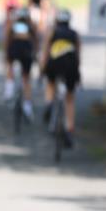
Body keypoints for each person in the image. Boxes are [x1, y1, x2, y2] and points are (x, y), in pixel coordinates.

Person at [42, 8, 80, 148]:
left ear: (57, 21)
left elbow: (46, 51)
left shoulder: (52, 32)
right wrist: (77, 73)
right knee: (69, 98)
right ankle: (69, 129)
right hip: (71, 65)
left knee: (51, 83)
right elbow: (78, 55)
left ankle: (49, 103)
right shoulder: (75, 34)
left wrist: (42, 68)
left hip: (54, 63)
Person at [3, 5, 38, 120]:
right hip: (27, 52)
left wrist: (6, 54)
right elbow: (36, 40)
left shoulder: (13, 24)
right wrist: (35, 54)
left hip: (14, 50)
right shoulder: (31, 25)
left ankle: (9, 90)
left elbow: (7, 38)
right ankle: (27, 107)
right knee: (26, 78)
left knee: (10, 65)